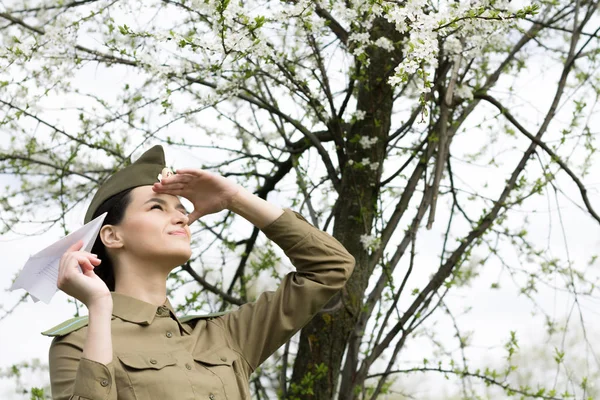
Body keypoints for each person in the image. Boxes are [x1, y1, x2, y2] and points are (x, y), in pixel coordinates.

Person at [42, 145, 355, 400]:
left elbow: (330, 267)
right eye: (156, 208)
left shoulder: (225, 336)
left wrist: (236, 199)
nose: (181, 219)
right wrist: (98, 308)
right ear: (112, 236)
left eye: (181, 210)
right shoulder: (80, 341)